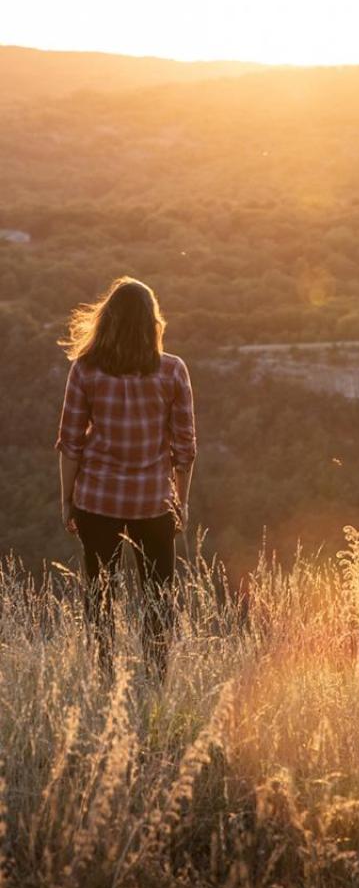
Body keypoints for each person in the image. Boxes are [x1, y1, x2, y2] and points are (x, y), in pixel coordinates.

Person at [55, 276, 196, 679]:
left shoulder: (86, 370)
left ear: (108, 320)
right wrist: (180, 502)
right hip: (154, 503)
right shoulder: (173, 371)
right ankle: (155, 682)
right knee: (158, 599)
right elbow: (185, 449)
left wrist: (67, 500)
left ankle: (103, 681)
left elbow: (69, 443)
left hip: (97, 501)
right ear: (153, 321)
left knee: (99, 597)